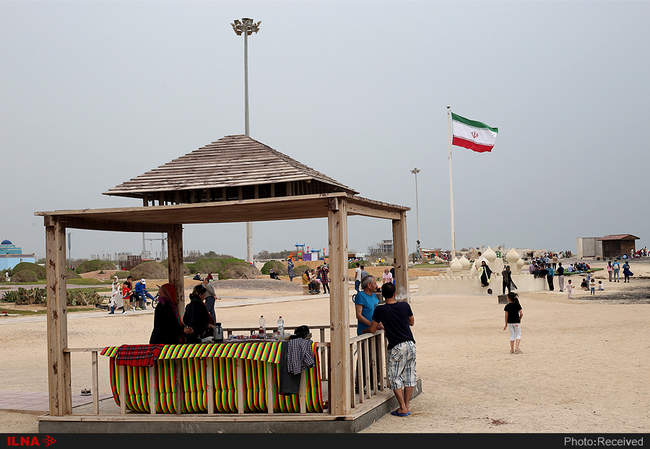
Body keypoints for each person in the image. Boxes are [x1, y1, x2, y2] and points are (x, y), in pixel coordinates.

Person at [363, 282, 415, 417]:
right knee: (409, 376)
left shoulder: (380, 310)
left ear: (383, 295)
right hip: (410, 344)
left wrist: (365, 330)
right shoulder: (405, 305)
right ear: (394, 293)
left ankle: (402, 407)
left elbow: (373, 329)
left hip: (396, 346)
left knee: (394, 377)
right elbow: (411, 322)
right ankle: (407, 405)